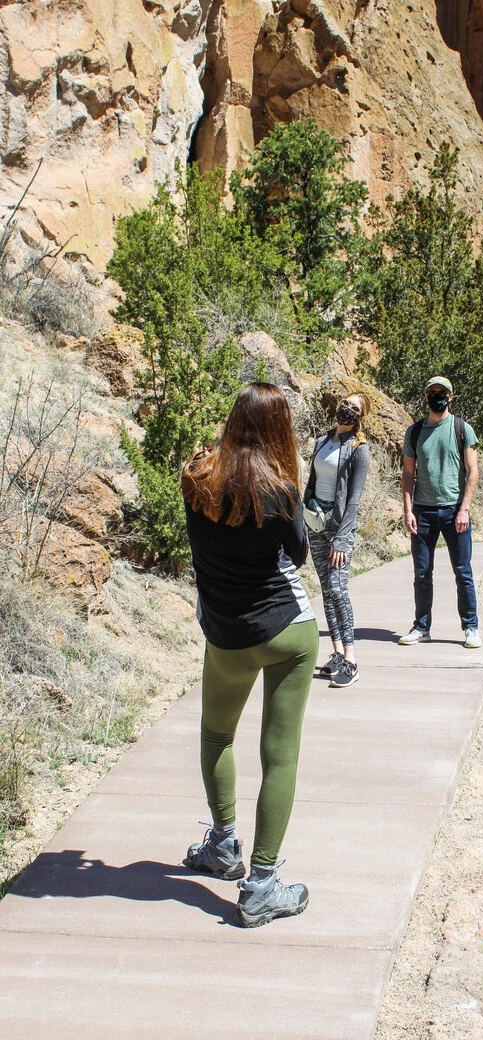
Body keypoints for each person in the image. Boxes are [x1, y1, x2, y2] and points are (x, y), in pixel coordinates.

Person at [180, 383, 319, 929]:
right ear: (279, 429)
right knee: (279, 757)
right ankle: (261, 885)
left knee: (217, 736)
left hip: (226, 634)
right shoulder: (280, 492)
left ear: (233, 418)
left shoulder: (197, 478)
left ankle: (222, 844)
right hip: (288, 631)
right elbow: (300, 553)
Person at [400, 376, 482, 648]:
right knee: (422, 573)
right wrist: (408, 510)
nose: (437, 396)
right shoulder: (414, 432)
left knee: (463, 572)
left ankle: (471, 628)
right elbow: (408, 473)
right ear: (426, 397)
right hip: (422, 513)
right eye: (432, 392)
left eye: (442, 392)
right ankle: (421, 627)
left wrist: (464, 509)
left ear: (451, 396)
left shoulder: (462, 429)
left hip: (454, 511)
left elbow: (473, 473)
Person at [304, 392, 371, 688]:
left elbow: (354, 500)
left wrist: (342, 540)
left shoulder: (359, 450)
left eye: (354, 408)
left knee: (339, 589)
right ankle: (335, 653)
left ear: (361, 418)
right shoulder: (321, 442)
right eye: (345, 404)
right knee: (326, 590)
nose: (347, 409)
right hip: (315, 524)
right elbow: (311, 482)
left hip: (339, 528)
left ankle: (351, 660)